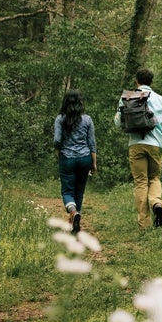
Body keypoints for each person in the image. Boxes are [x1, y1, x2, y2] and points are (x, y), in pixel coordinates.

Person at [115, 67, 162, 228]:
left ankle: (144, 223)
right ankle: (156, 203)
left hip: (135, 144)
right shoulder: (161, 100)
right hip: (156, 145)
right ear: (151, 81)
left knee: (141, 182)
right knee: (154, 178)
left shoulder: (128, 97)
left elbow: (117, 122)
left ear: (137, 81)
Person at [54, 89, 97, 234]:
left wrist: (59, 151)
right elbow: (92, 143)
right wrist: (94, 162)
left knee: (67, 190)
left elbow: (57, 140)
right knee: (79, 191)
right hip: (84, 158)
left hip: (67, 158)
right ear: (80, 102)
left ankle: (73, 213)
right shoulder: (87, 119)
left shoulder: (60, 119)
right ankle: (75, 218)